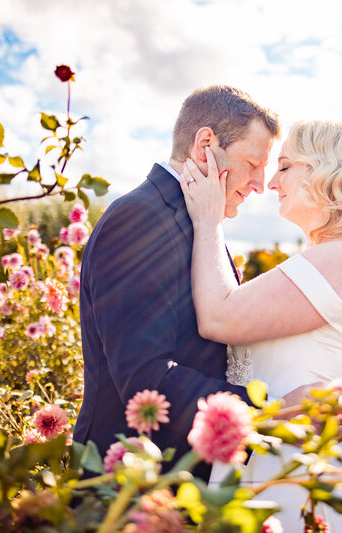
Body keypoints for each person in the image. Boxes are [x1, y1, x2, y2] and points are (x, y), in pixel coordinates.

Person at [73, 85, 312, 480]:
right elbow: (145, 379)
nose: (258, 184)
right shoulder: (140, 219)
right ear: (206, 144)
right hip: (129, 484)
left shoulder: (199, 222)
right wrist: (274, 409)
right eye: (252, 163)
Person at [178, 120, 342, 531]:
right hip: (283, 461)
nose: (271, 183)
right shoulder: (338, 257)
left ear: (326, 171)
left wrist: (208, 220)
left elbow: (219, 317)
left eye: (284, 167)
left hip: (300, 474)